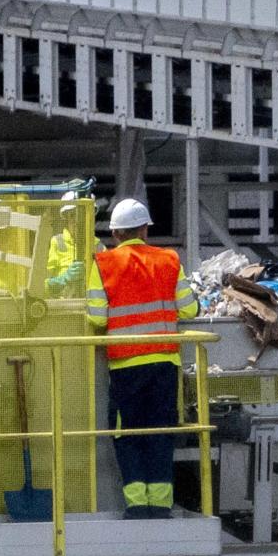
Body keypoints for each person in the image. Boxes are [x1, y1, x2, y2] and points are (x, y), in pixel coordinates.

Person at [85, 198, 199, 519]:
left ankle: (137, 505)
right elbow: (190, 308)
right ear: (145, 229)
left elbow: (96, 318)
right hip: (165, 364)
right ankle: (161, 506)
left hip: (125, 367)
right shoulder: (169, 260)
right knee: (160, 433)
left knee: (127, 435)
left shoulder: (103, 264)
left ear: (115, 234)